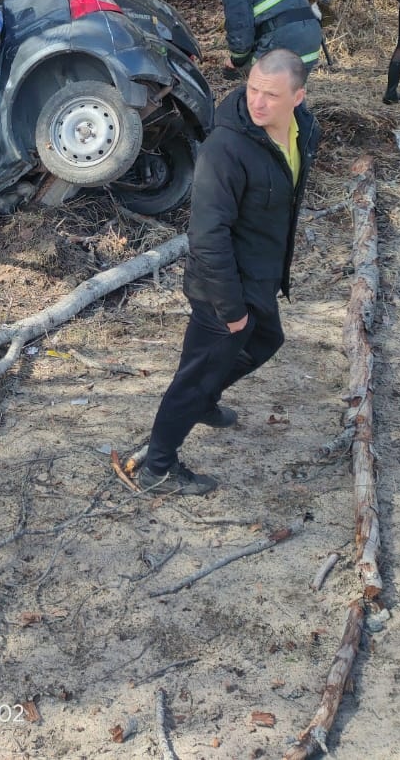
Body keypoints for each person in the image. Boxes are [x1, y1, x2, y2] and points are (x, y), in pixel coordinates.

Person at [140, 50, 319, 496]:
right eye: (252, 88)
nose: (257, 102)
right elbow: (207, 234)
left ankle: (206, 401)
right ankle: (157, 468)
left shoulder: (304, 131)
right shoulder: (227, 147)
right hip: (221, 286)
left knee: (265, 340)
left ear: (298, 97)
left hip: (259, 276)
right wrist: (229, 307)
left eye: (271, 95)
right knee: (195, 376)